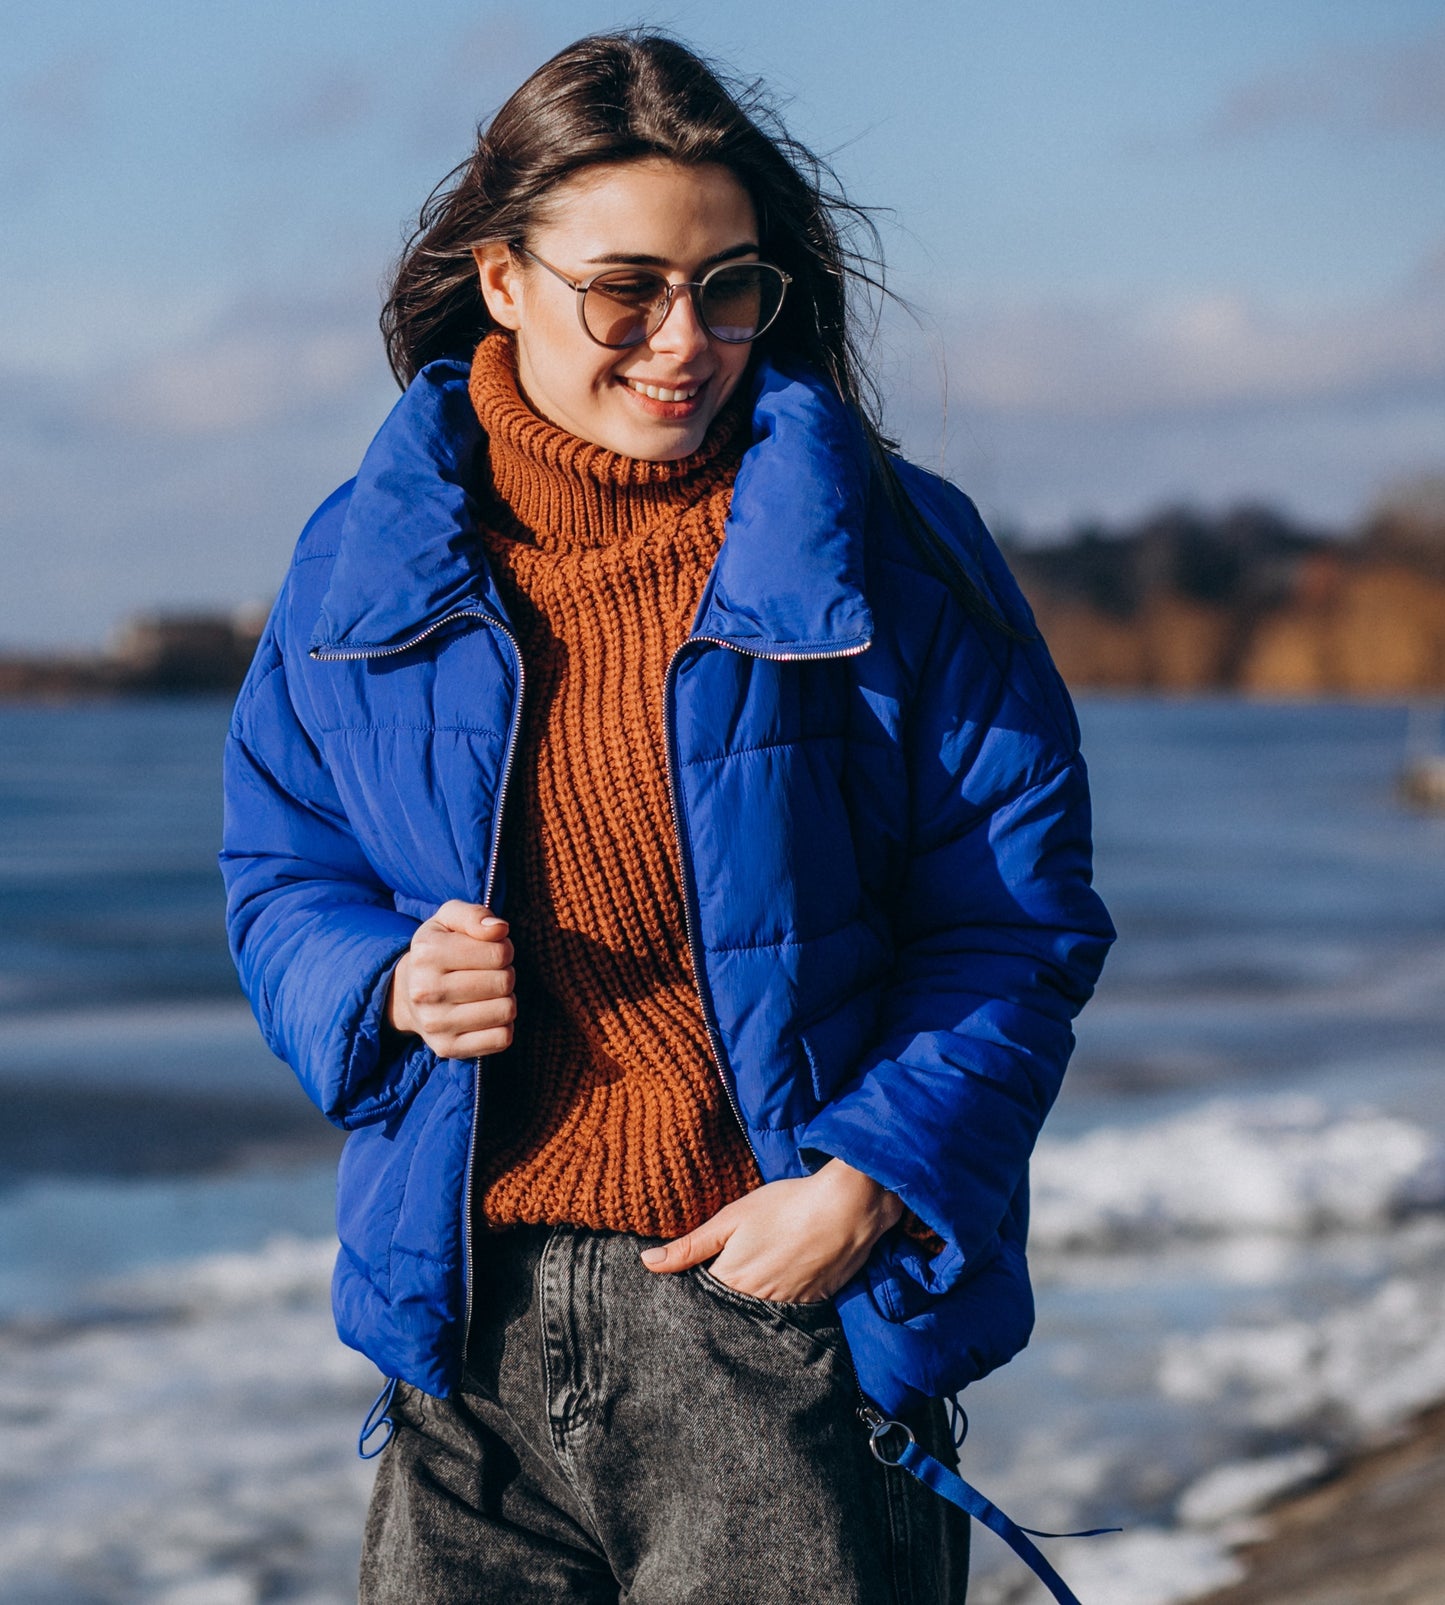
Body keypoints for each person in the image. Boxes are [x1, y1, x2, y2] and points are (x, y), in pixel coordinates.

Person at [220, 27, 1114, 1604]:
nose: (681, 340)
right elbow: (282, 867)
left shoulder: (893, 551)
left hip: (771, 1330)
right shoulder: (359, 556)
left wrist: (861, 1186)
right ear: (501, 276)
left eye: (728, 287)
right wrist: (379, 981)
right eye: (621, 288)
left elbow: (1013, 924)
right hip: (461, 1343)